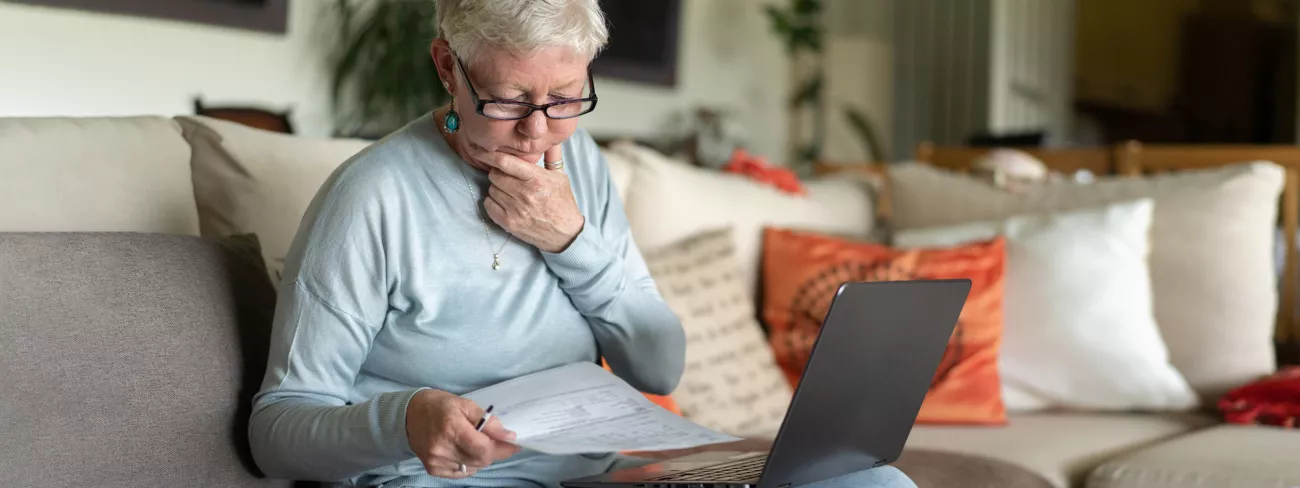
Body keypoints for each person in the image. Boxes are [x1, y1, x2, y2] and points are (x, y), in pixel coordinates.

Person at [248, 1, 917, 487]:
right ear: (448, 66)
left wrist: (572, 241)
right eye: (509, 101)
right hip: (440, 482)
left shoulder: (581, 163)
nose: (538, 133)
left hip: (591, 473)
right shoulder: (372, 197)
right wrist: (406, 420)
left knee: (873, 483)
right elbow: (277, 432)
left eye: (566, 98)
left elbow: (659, 368)